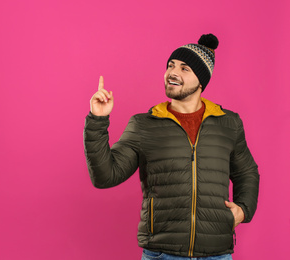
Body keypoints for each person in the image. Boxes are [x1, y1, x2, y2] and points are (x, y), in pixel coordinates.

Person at [83, 34, 259, 260]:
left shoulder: (228, 123)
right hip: (162, 253)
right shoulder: (144, 124)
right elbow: (105, 177)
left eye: (185, 68)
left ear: (201, 80)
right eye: (170, 66)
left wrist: (244, 210)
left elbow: (247, 172)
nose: (172, 73)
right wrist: (97, 121)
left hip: (217, 253)